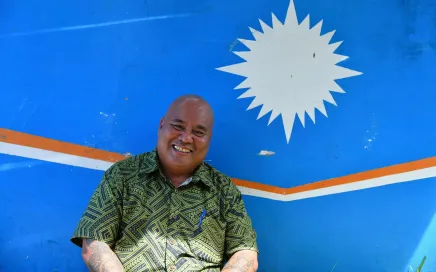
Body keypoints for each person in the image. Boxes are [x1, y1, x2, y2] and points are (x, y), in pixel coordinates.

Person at [71, 94, 259, 272]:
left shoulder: (224, 189)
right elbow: (94, 243)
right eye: (178, 126)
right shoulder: (122, 176)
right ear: (162, 124)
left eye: (198, 132)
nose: (186, 138)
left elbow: (245, 252)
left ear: (208, 140)